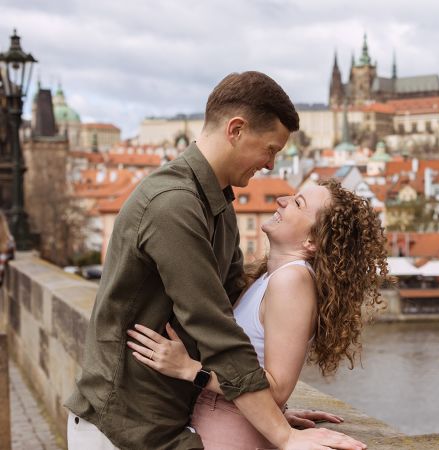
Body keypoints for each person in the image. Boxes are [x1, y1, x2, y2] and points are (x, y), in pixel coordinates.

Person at [64, 71, 367, 450]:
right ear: (236, 130)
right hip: (122, 428)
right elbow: (216, 329)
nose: (271, 165)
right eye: (270, 149)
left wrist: (264, 412)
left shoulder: (217, 205)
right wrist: (282, 435)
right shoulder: (175, 204)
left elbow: (231, 308)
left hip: (161, 425)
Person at [127, 178, 391, 448]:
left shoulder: (291, 281)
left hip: (231, 435)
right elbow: (260, 367)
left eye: (297, 203)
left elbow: (276, 389)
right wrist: (279, 416)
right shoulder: (272, 276)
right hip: (233, 426)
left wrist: (191, 370)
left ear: (312, 240)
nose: (282, 201)